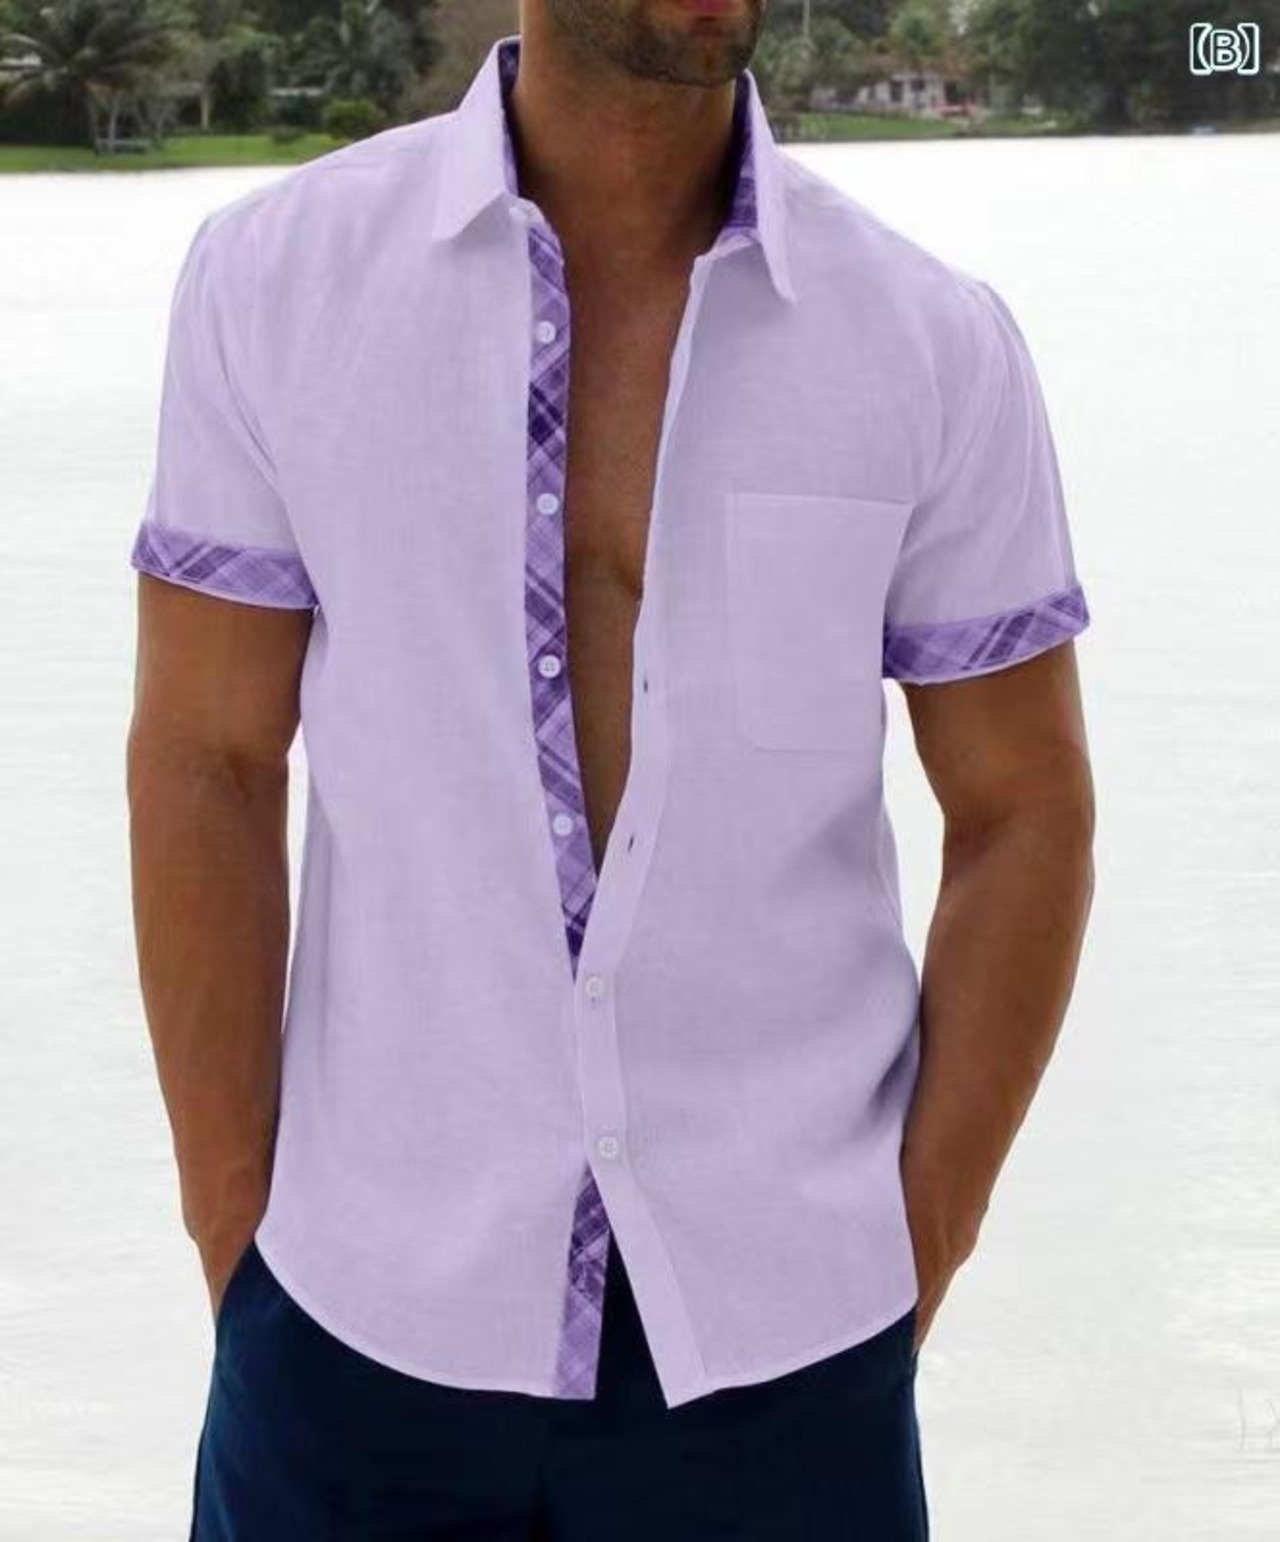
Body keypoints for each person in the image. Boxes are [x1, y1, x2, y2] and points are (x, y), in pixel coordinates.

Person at [126, 4, 1095, 1538]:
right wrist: (236, 1234)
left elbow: (1023, 807)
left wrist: (916, 1237)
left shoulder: (924, 342)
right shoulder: (280, 286)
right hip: (355, 1323)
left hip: (786, 1347)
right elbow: (208, 758)